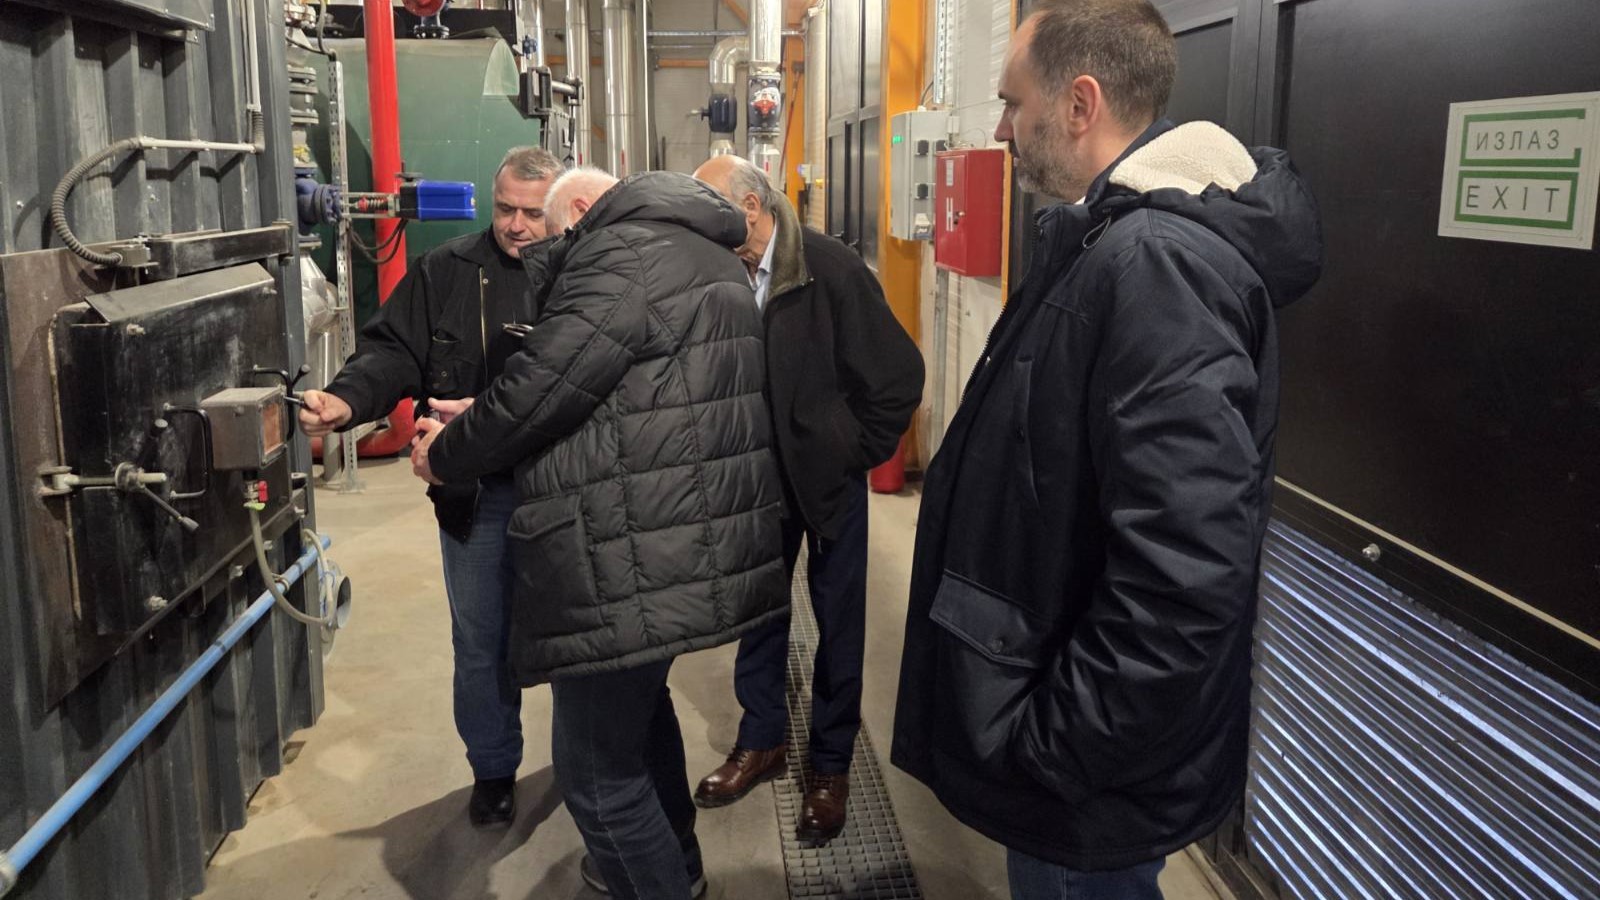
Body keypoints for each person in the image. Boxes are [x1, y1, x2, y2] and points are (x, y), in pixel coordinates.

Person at [890, 1, 1323, 898]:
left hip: (1085, 782)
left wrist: (1058, 747)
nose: (1001, 131)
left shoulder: (1156, 264)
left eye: (1013, 104)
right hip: (1076, 747)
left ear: (1080, 104)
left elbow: (1185, 570)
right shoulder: (1104, 238)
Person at [410, 168, 789, 900]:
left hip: (630, 547)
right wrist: (481, 411)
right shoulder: (695, 249)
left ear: (582, 209)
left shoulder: (622, 253)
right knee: (640, 717)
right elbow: (608, 385)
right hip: (672, 534)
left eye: (552, 232)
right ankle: (678, 867)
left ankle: (656, 880)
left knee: (595, 779)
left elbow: (541, 391)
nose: (540, 242)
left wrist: (446, 454)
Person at [299, 145, 563, 829]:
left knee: (576, 641)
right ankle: (494, 769)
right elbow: (392, 351)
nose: (516, 225)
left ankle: (584, 764)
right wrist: (345, 400)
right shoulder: (447, 271)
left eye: (533, 213)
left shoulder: (582, 274)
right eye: (504, 209)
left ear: (561, 211)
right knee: (480, 642)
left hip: (563, 490)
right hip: (476, 494)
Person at [690, 155, 923, 844]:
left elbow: (898, 378)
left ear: (751, 207)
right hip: (753, 481)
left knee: (838, 622)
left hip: (826, 481)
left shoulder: (830, 269)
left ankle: (830, 764)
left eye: (710, 208)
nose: (699, 223)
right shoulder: (715, 271)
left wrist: (846, 450)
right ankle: (761, 740)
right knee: (757, 615)